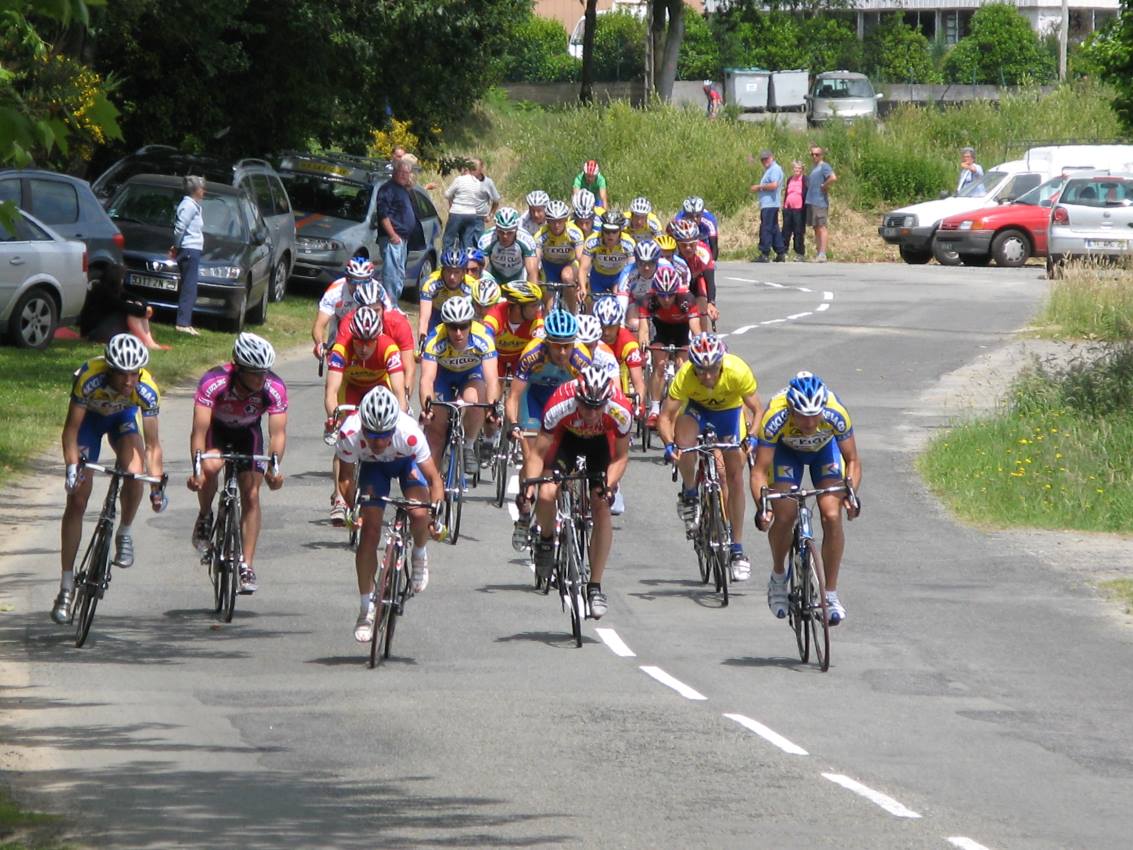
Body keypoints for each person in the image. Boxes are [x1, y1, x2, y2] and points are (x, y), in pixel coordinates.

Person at [52, 334, 166, 624]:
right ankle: (66, 587)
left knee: (134, 470)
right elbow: (71, 430)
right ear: (109, 368)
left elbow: (153, 444)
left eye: (133, 373)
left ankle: (124, 532)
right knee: (77, 499)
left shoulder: (146, 388)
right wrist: (71, 468)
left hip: (121, 420)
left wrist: (156, 486)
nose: (128, 381)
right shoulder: (89, 376)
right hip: (89, 422)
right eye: (121, 373)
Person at [334, 386, 444, 643]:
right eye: (372, 436)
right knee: (369, 533)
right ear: (363, 427)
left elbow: (434, 478)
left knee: (418, 513)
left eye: (384, 435)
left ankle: (419, 553)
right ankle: (365, 611)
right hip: (373, 470)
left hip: (406, 464)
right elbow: (346, 479)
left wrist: (436, 515)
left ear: (394, 427)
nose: (379, 442)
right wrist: (353, 510)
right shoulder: (349, 432)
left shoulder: (409, 433)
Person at [750, 371, 861, 624]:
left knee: (832, 514)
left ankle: (830, 594)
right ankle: (779, 577)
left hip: (824, 452)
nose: (810, 424)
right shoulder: (774, 418)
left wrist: (851, 494)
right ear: (790, 409)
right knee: (785, 515)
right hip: (786, 453)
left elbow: (853, 460)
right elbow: (758, 472)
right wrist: (762, 507)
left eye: (814, 416)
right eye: (803, 416)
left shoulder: (836, 412)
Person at [526, 366, 631, 618]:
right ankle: (547, 541)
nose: (592, 413)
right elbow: (538, 453)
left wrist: (608, 486)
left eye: (598, 407)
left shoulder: (619, 410)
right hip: (566, 440)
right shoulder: (559, 404)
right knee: (547, 494)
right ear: (577, 399)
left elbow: (621, 456)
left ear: (606, 402)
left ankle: (595, 586)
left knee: (601, 506)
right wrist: (530, 484)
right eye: (586, 406)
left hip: (600, 445)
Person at [657, 333, 763, 581]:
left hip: (729, 414)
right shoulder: (685, 376)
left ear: (721, 364)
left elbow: (757, 409)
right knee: (684, 442)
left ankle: (737, 549)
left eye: (712, 370)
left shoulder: (737, 370)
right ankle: (691, 492)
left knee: (732, 476)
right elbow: (665, 417)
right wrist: (669, 445)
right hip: (697, 410)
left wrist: (753, 436)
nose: (706, 376)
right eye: (700, 370)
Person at [188, 333, 287, 595]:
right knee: (210, 468)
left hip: (248, 433)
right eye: (254, 373)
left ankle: (247, 565)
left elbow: (278, 433)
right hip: (217, 431)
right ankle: (205, 515)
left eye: (264, 372)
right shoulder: (214, 381)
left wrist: (274, 468)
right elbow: (199, 430)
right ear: (239, 368)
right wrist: (197, 469)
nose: (260, 379)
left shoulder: (273, 387)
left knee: (252, 494)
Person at [506, 310, 592, 547]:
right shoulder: (533, 354)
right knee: (532, 454)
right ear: (547, 343)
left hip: (565, 402)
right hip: (534, 400)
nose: (562, 352)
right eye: (557, 346)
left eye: (567, 346)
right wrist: (514, 424)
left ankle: (565, 498)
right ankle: (525, 510)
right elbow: (513, 396)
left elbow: (591, 398)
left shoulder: (582, 359)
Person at [324, 306, 406, 525]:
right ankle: (340, 499)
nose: (363, 347)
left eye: (369, 341)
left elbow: (399, 391)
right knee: (345, 436)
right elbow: (331, 391)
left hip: (379, 388)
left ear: (378, 337)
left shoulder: (389, 348)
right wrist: (334, 419)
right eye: (358, 340)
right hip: (351, 389)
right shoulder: (341, 349)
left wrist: (401, 417)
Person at [419, 296, 500, 473]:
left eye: (463, 326)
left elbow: (492, 378)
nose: (458, 333)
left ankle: (468, 446)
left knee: (474, 399)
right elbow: (426, 379)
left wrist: (492, 409)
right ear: (445, 325)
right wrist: (427, 408)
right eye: (452, 327)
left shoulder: (483, 337)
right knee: (436, 432)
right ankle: (435, 484)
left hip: (470, 374)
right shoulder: (434, 340)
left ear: (471, 324)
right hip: (443, 377)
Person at [78, 265, 169, 350]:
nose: (122, 281)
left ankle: (149, 341)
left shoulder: (111, 289)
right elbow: (123, 306)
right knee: (132, 311)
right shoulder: (104, 293)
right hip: (94, 333)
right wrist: (144, 310)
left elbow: (133, 297)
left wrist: (146, 306)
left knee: (136, 305)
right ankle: (147, 342)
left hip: (101, 328)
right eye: (121, 278)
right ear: (115, 279)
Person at [375, 159, 417, 302]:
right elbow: (383, 215)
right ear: (394, 172)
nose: (404, 176)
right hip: (392, 239)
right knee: (391, 275)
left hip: (402, 240)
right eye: (401, 172)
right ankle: (389, 305)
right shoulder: (387, 189)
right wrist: (392, 235)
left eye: (407, 173)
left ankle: (393, 304)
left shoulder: (403, 190)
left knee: (399, 274)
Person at [417, 247, 476, 342]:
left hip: (461, 318)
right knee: (430, 343)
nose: (452, 277)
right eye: (449, 271)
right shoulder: (431, 284)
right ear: (442, 270)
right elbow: (424, 319)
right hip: (436, 314)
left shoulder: (473, 286)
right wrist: (422, 340)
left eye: (457, 272)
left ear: (464, 272)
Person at [170, 175, 205, 335]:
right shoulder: (188, 205)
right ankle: (182, 323)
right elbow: (180, 228)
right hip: (189, 249)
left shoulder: (194, 205)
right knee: (189, 287)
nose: (204, 191)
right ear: (196, 190)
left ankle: (185, 321)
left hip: (194, 249)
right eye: (202, 188)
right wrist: (176, 246)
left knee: (190, 287)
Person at [442, 158, 501, 250]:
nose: (472, 170)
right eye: (471, 167)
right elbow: (452, 195)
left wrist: (491, 215)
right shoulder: (471, 182)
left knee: (477, 243)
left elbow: (496, 200)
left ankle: (472, 261)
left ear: (481, 169)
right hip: (468, 214)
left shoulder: (486, 183)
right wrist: (451, 206)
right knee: (464, 241)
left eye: (474, 168)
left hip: (478, 217)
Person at [478, 207, 539, 285]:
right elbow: (480, 270)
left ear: (517, 229)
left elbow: (532, 272)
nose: (505, 236)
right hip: (494, 275)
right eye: (501, 232)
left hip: (518, 276)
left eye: (510, 232)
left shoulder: (526, 240)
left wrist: (532, 295)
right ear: (496, 228)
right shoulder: (486, 239)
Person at [751, 149, 786, 262]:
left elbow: (774, 185)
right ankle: (780, 252)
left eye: (766, 158)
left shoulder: (775, 169)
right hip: (769, 204)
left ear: (772, 157)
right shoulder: (770, 170)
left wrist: (759, 187)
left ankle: (765, 252)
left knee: (766, 228)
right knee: (774, 228)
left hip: (770, 204)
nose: (764, 161)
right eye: (762, 159)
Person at [806, 146, 837, 263]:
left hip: (820, 202)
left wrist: (825, 185)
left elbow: (833, 178)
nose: (814, 156)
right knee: (816, 228)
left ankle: (823, 254)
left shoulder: (824, 166)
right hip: (811, 201)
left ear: (821, 155)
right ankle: (819, 253)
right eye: (812, 154)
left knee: (821, 227)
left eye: (817, 154)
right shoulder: (814, 168)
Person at [782, 160, 807, 261]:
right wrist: (784, 206)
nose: (797, 170)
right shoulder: (789, 179)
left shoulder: (805, 180)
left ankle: (799, 254)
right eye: (795, 168)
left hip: (799, 209)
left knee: (798, 232)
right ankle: (783, 252)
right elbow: (787, 193)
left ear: (802, 170)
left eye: (799, 168)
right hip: (788, 208)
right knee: (785, 231)